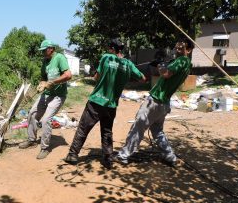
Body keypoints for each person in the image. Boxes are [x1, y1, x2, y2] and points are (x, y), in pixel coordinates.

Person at [63, 38, 146, 168]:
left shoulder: (106, 57)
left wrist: (97, 75)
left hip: (96, 101)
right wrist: (129, 71)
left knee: (83, 128)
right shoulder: (128, 64)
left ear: (112, 49)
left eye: (109, 48)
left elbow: (96, 77)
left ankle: (73, 155)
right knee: (107, 131)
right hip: (111, 105)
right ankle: (107, 158)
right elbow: (143, 79)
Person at [113, 37, 195, 166]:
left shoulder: (181, 61)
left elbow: (166, 74)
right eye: (177, 47)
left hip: (155, 101)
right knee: (157, 131)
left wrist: (160, 67)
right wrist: (164, 66)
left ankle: (123, 155)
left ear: (189, 50)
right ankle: (170, 157)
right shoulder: (187, 64)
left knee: (138, 127)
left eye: (181, 48)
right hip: (164, 103)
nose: (177, 50)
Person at [19, 39, 72, 159]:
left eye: (44, 50)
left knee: (46, 119)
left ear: (51, 49)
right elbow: (43, 77)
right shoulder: (45, 61)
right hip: (46, 94)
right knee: (32, 113)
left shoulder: (59, 58)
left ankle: (44, 148)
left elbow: (68, 75)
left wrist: (52, 82)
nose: (42, 52)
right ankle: (31, 140)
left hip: (58, 95)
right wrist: (42, 84)